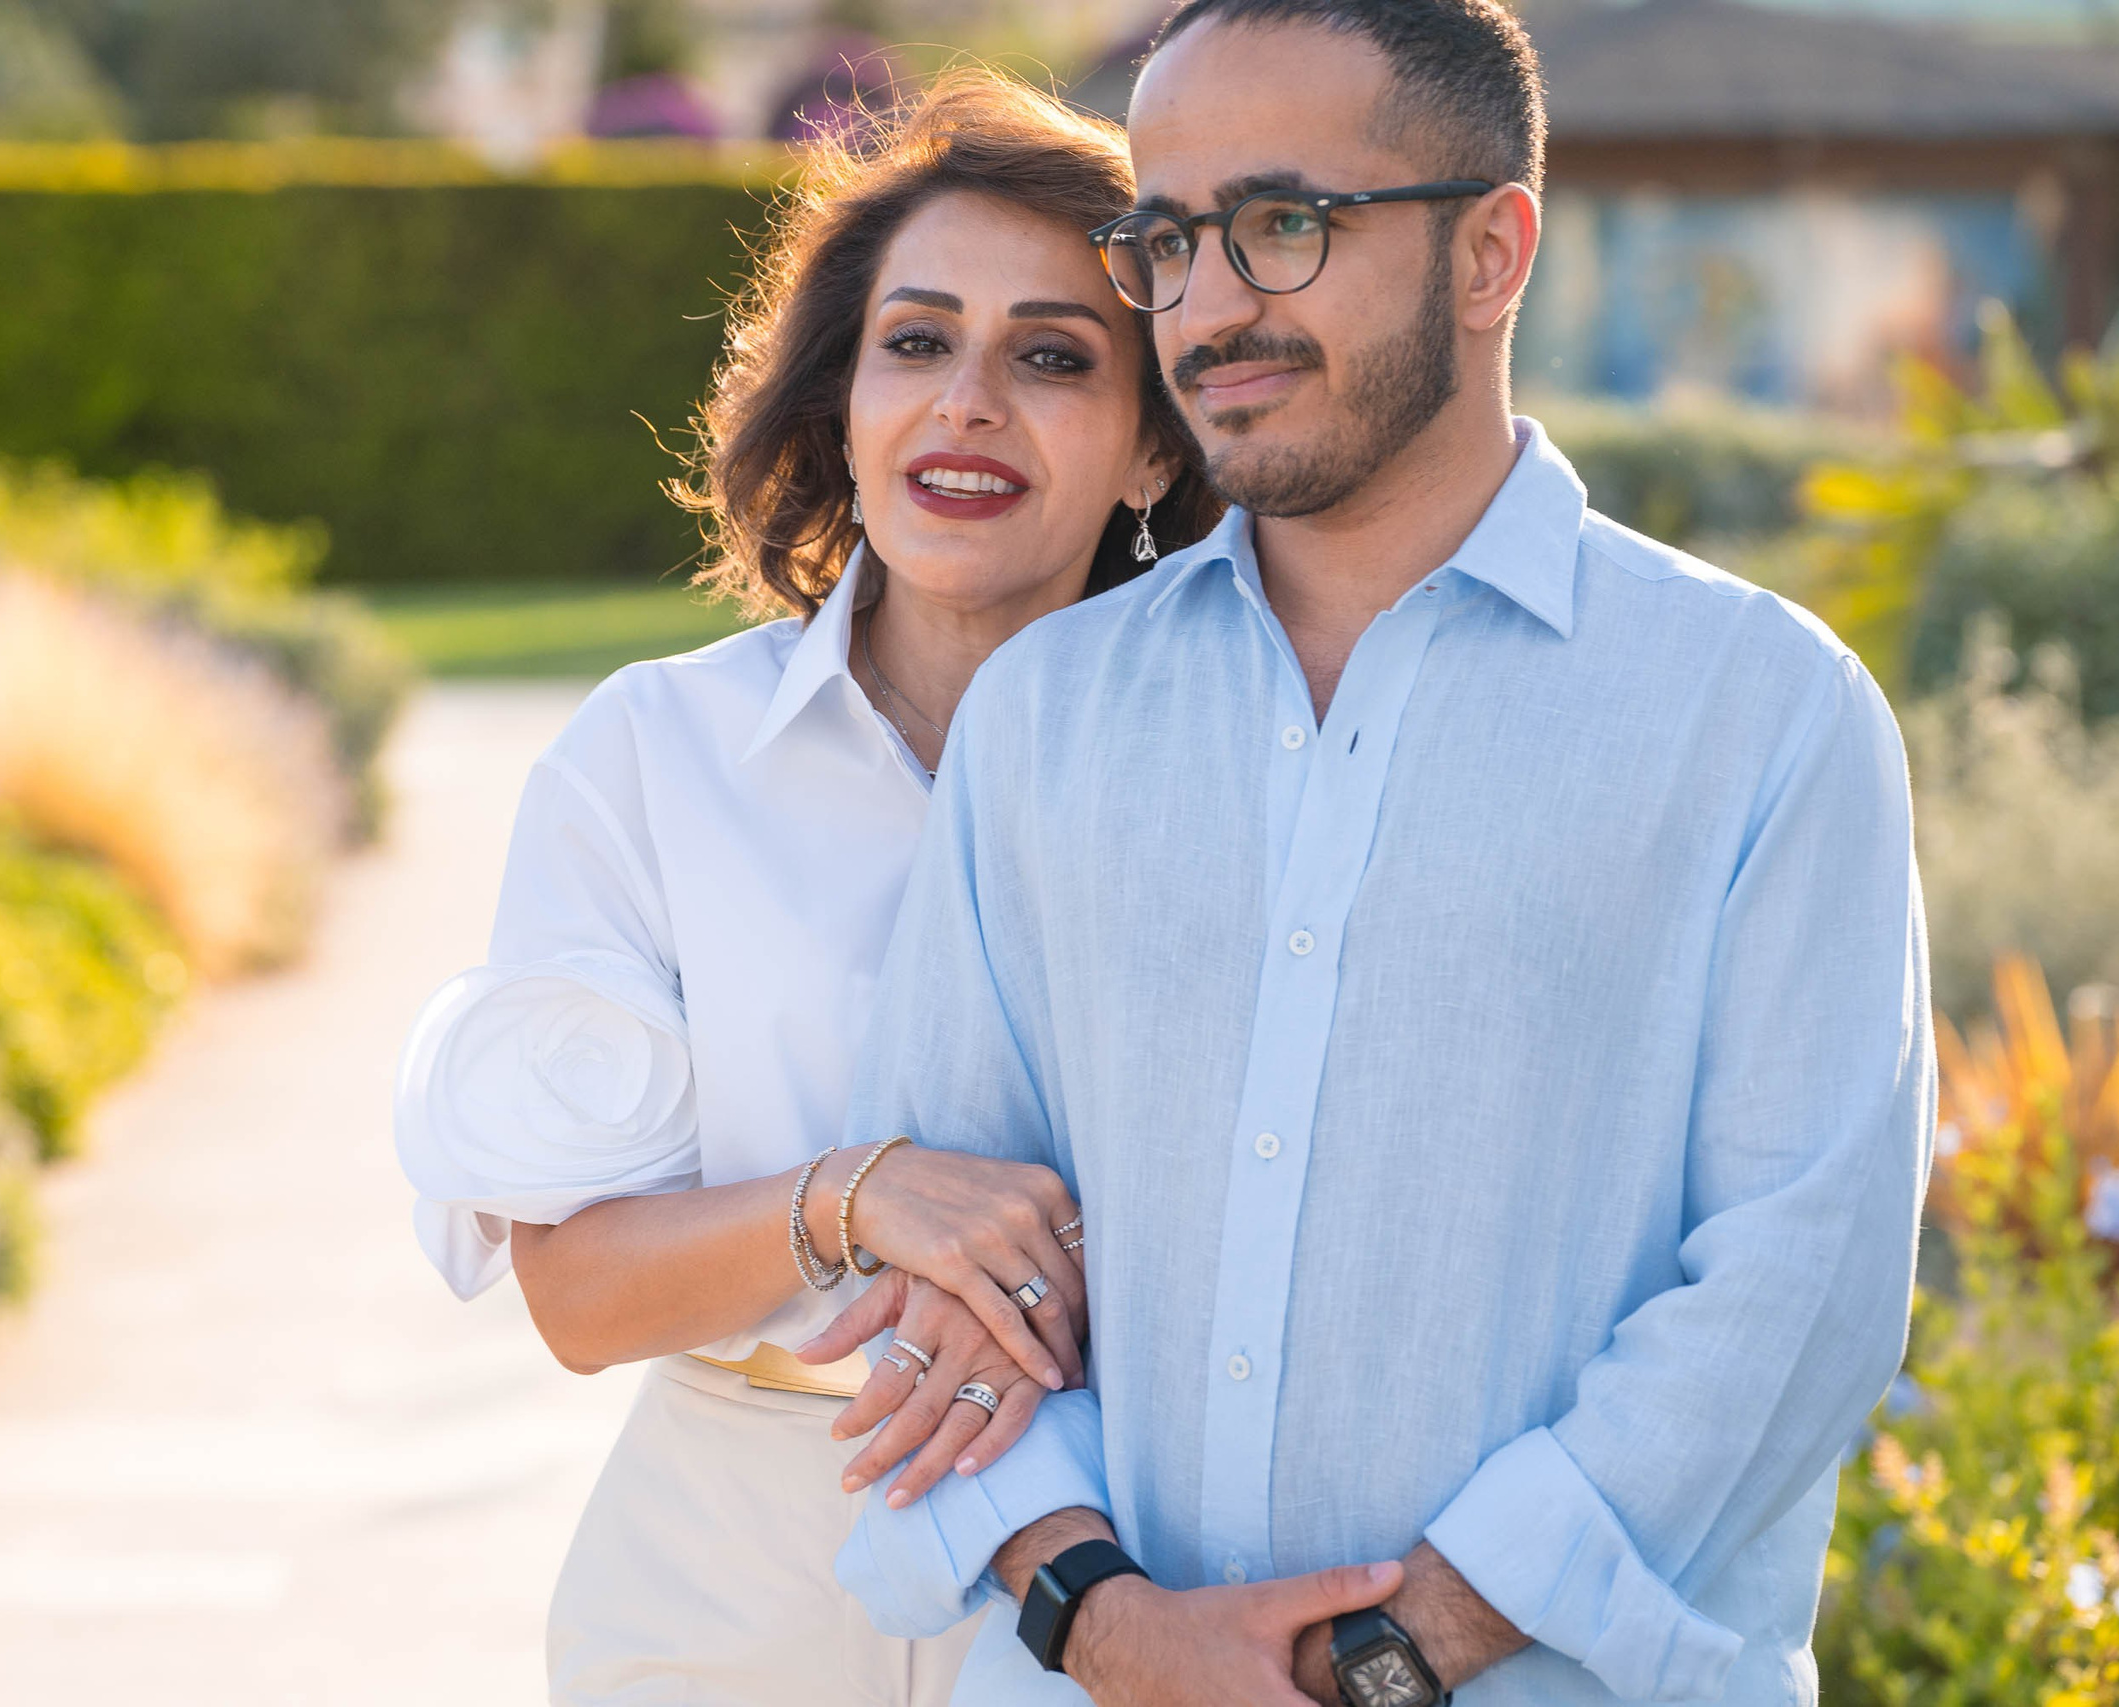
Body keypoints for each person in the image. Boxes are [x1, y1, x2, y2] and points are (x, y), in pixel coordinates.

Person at [812, 5, 1935, 1705]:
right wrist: (1110, 1624)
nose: (1207, 306)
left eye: (1284, 225)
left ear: (1492, 249)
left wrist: (1398, 1659)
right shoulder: (1047, 717)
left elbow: (1803, 1285)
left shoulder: (1761, 716)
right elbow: (957, 1259)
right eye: (1167, 241)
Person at [392, 73, 1217, 1707]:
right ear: (844, 400)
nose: (968, 401)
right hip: (723, 1567)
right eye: (916, 342)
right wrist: (854, 1198)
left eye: (1054, 356)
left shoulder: (1249, 771)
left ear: (1150, 448)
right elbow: (577, 1293)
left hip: (1129, 1549)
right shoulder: (654, 753)